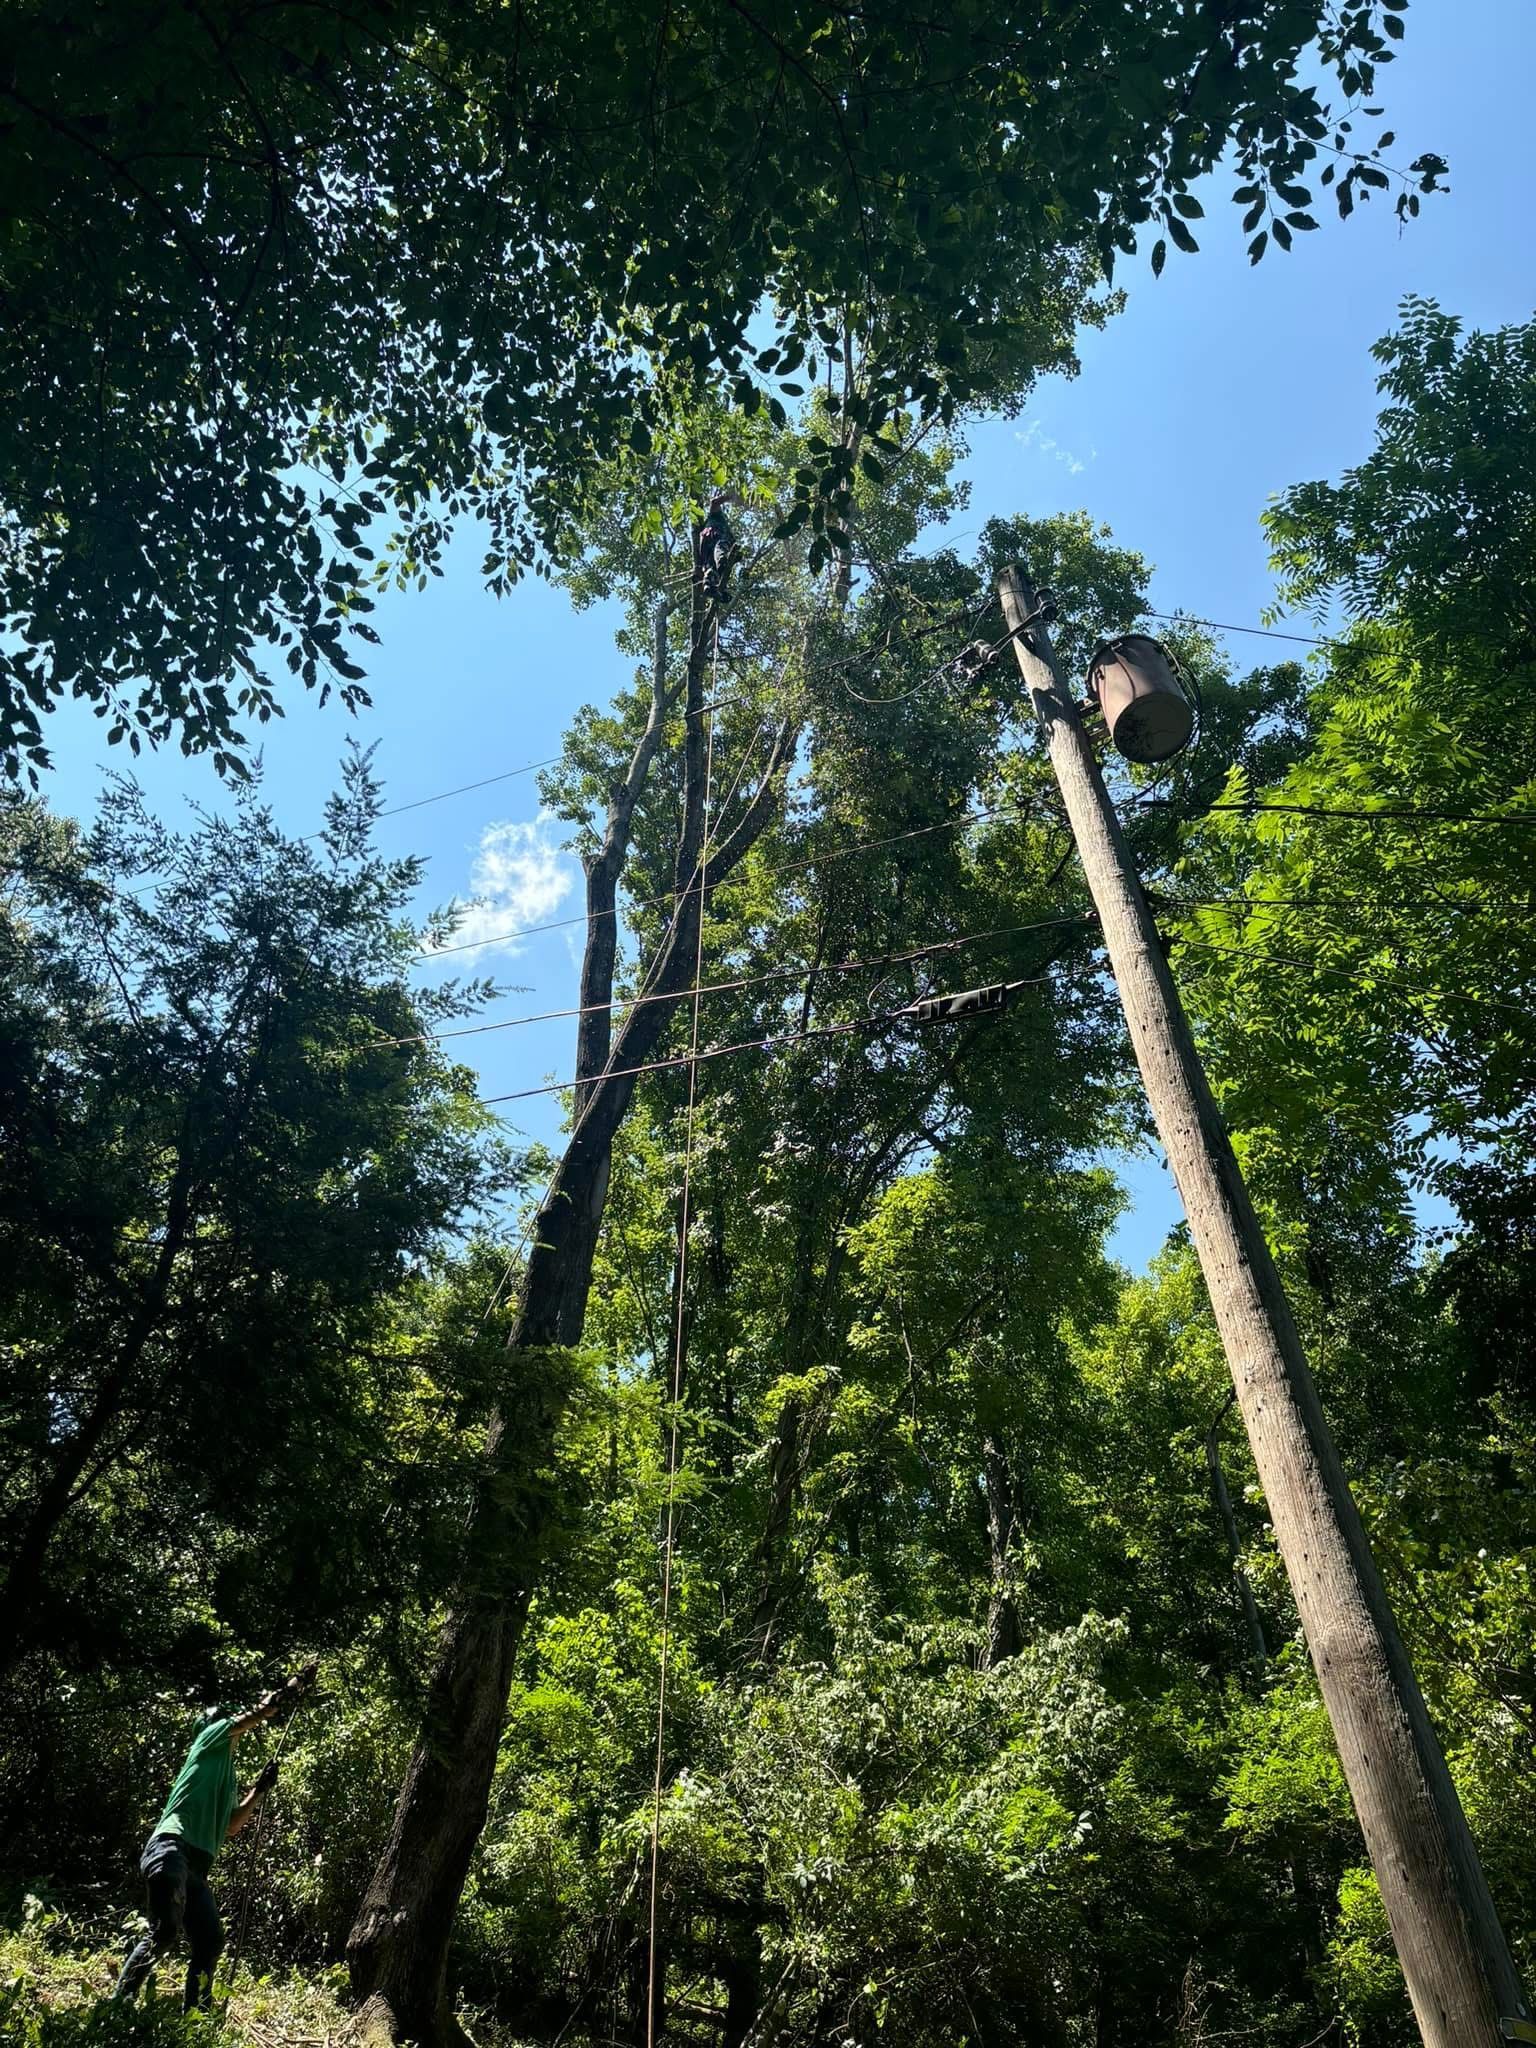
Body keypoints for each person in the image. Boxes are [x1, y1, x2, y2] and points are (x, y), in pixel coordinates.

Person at [114, 1662, 315, 2011]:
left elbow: (233, 1824)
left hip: (196, 1868)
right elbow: (259, 1712)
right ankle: (118, 2005)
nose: (232, 1725)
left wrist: (260, 1789)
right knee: (164, 1930)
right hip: (171, 1849)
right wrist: (293, 1685)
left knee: (209, 1942)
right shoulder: (206, 1741)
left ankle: (196, 2015)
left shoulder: (228, 1775)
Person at [697, 488, 739, 597]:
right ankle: (721, 562)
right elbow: (714, 502)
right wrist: (730, 496)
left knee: (710, 567)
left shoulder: (730, 536)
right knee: (721, 546)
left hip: (706, 550)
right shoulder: (717, 517)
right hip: (713, 536)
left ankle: (710, 586)